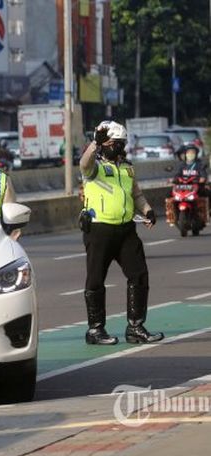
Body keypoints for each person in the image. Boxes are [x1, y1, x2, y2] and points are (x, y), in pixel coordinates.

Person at [79, 120, 164, 345]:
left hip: (126, 230)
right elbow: (83, 163)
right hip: (99, 229)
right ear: (104, 143)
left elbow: (136, 194)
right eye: (114, 143)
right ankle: (95, 330)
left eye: (121, 143)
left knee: (139, 275)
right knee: (96, 278)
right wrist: (94, 145)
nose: (118, 147)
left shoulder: (127, 167)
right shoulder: (94, 167)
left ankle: (135, 327)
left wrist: (147, 210)